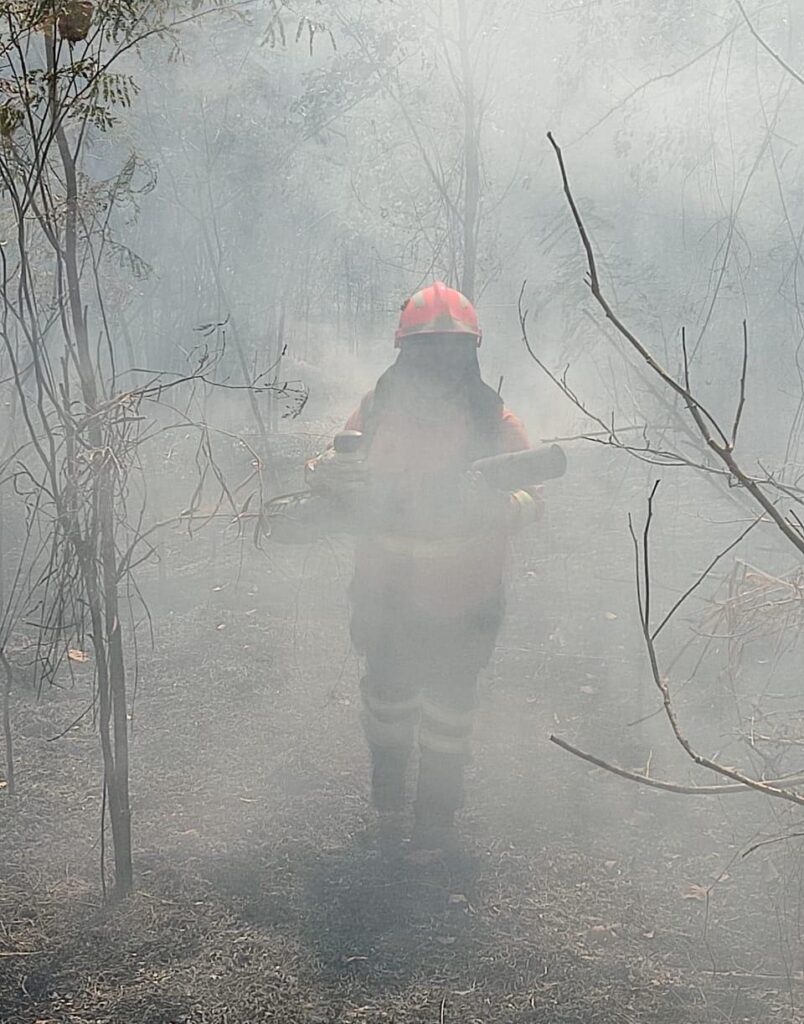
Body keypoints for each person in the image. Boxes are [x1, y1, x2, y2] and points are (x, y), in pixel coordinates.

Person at [340, 281, 540, 853]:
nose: (439, 362)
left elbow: (532, 497)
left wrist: (502, 505)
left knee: (450, 708)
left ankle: (437, 814)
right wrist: (325, 477)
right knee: (387, 696)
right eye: (426, 350)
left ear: (470, 353)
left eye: (451, 349)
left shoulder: (495, 422)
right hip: (387, 593)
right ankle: (388, 788)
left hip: (465, 597)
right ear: (405, 352)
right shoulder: (376, 408)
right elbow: (339, 463)